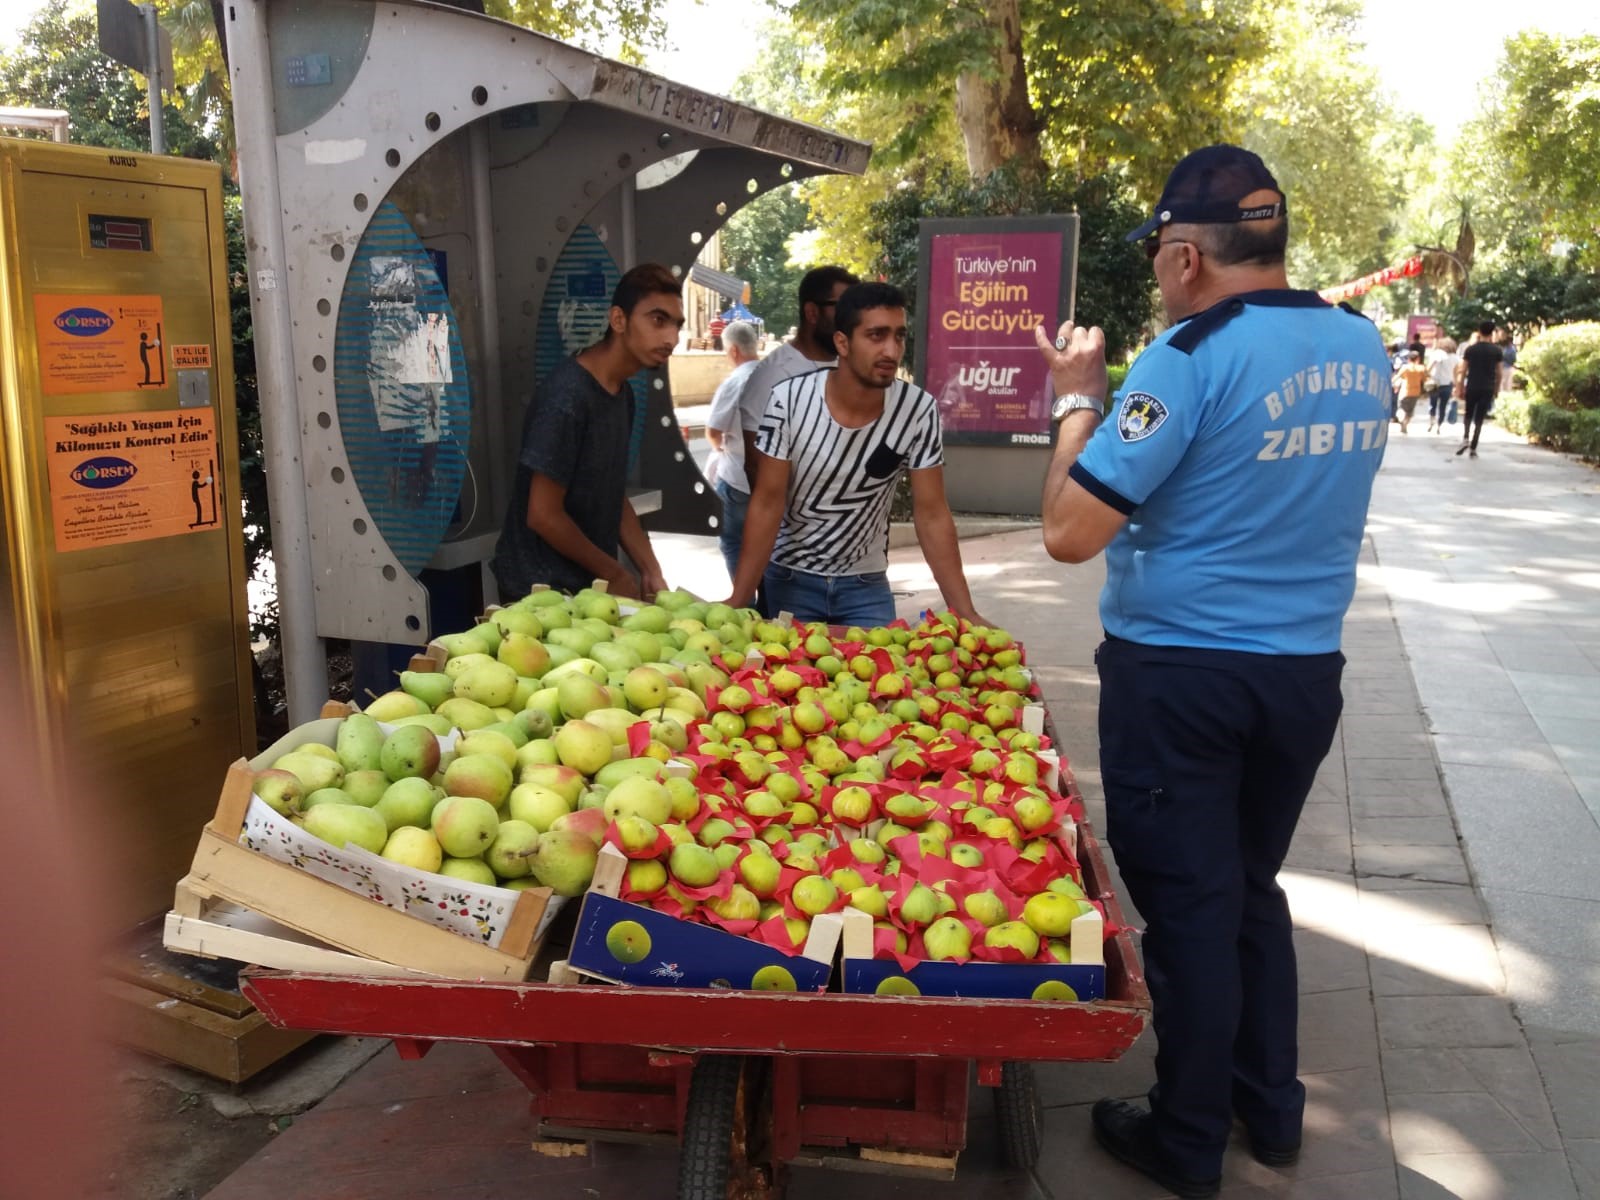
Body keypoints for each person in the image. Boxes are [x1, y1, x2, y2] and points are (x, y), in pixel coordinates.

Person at [1034, 145, 1389, 1198]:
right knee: (1246, 889)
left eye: (1157, 253)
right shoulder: (1361, 345)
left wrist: (1077, 402)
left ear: (1186, 256)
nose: (1156, 272)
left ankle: (1185, 1137)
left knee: (1187, 907)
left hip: (1182, 679)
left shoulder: (1186, 358)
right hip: (1300, 675)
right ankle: (1268, 1107)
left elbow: (1065, 532)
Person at [724, 281, 986, 627]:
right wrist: (740, 598)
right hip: (790, 580)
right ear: (842, 343)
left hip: (866, 586)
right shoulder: (787, 400)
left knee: (884, 679)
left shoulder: (918, 410)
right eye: (876, 336)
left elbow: (933, 514)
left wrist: (964, 612)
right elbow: (767, 501)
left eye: (899, 336)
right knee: (791, 679)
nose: (892, 351)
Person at [492, 263, 679, 600]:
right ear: (618, 320)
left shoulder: (623, 393)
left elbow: (610, 494)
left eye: (676, 325)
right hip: (538, 592)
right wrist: (614, 572)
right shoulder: (567, 396)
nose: (671, 338)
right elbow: (543, 515)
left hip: (586, 589)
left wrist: (651, 569)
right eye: (657, 320)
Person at [721, 265, 857, 603]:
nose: (851, 320)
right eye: (843, 309)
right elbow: (757, 470)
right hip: (775, 531)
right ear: (812, 312)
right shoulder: (774, 376)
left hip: (834, 541)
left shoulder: (849, 367)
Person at [703, 320, 762, 583]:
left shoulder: (735, 382)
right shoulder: (779, 377)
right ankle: (770, 607)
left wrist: (720, 450)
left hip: (739, 482)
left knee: (734, 544)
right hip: (775, 484)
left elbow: (713, 431)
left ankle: (746, 606)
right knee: (769, 549)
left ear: (734, 351)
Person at [1455, 322, 1503, 458]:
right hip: (1487, 387)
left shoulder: (1470, 349)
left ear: (1479, 331)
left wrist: (1459, 387)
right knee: (1480, 417)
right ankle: (1474, 446)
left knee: (1468, 413)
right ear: (1492, 333)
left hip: (1472, 385)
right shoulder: (1497, 351)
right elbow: (1499, 372)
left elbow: (1462, 370)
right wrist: (1497, 389)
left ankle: (1465, 438)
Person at [1425, 335, 1457, 433]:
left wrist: (1428, 375)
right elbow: (1456, 373)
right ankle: (1439, 425)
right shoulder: (1456, 358)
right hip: (1448, 384)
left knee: (1432, 404)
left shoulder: (1438, 354)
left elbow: (1428, 368)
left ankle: (1431, 422)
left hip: (1435, 383)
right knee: (1443, 406)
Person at [1393, 349, 1429, 433]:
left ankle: (1401, 420)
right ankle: (1405, 423)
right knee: (1410, 411)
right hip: (1415, 393)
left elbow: (1398, 376)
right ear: (1418, 359)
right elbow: (1425, 379)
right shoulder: (1421, 368)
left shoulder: (1405, 367)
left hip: (1405, 392)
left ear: (1409, 359)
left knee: (1401, 408)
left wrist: (1391, 382)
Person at [1499, 329, 1518, 393]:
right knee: (1502, 384)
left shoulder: (1511, 349)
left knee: (1507, 385)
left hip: (1508, 367)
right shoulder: (1504, 348)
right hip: (1503, 368)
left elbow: (1513, 359)